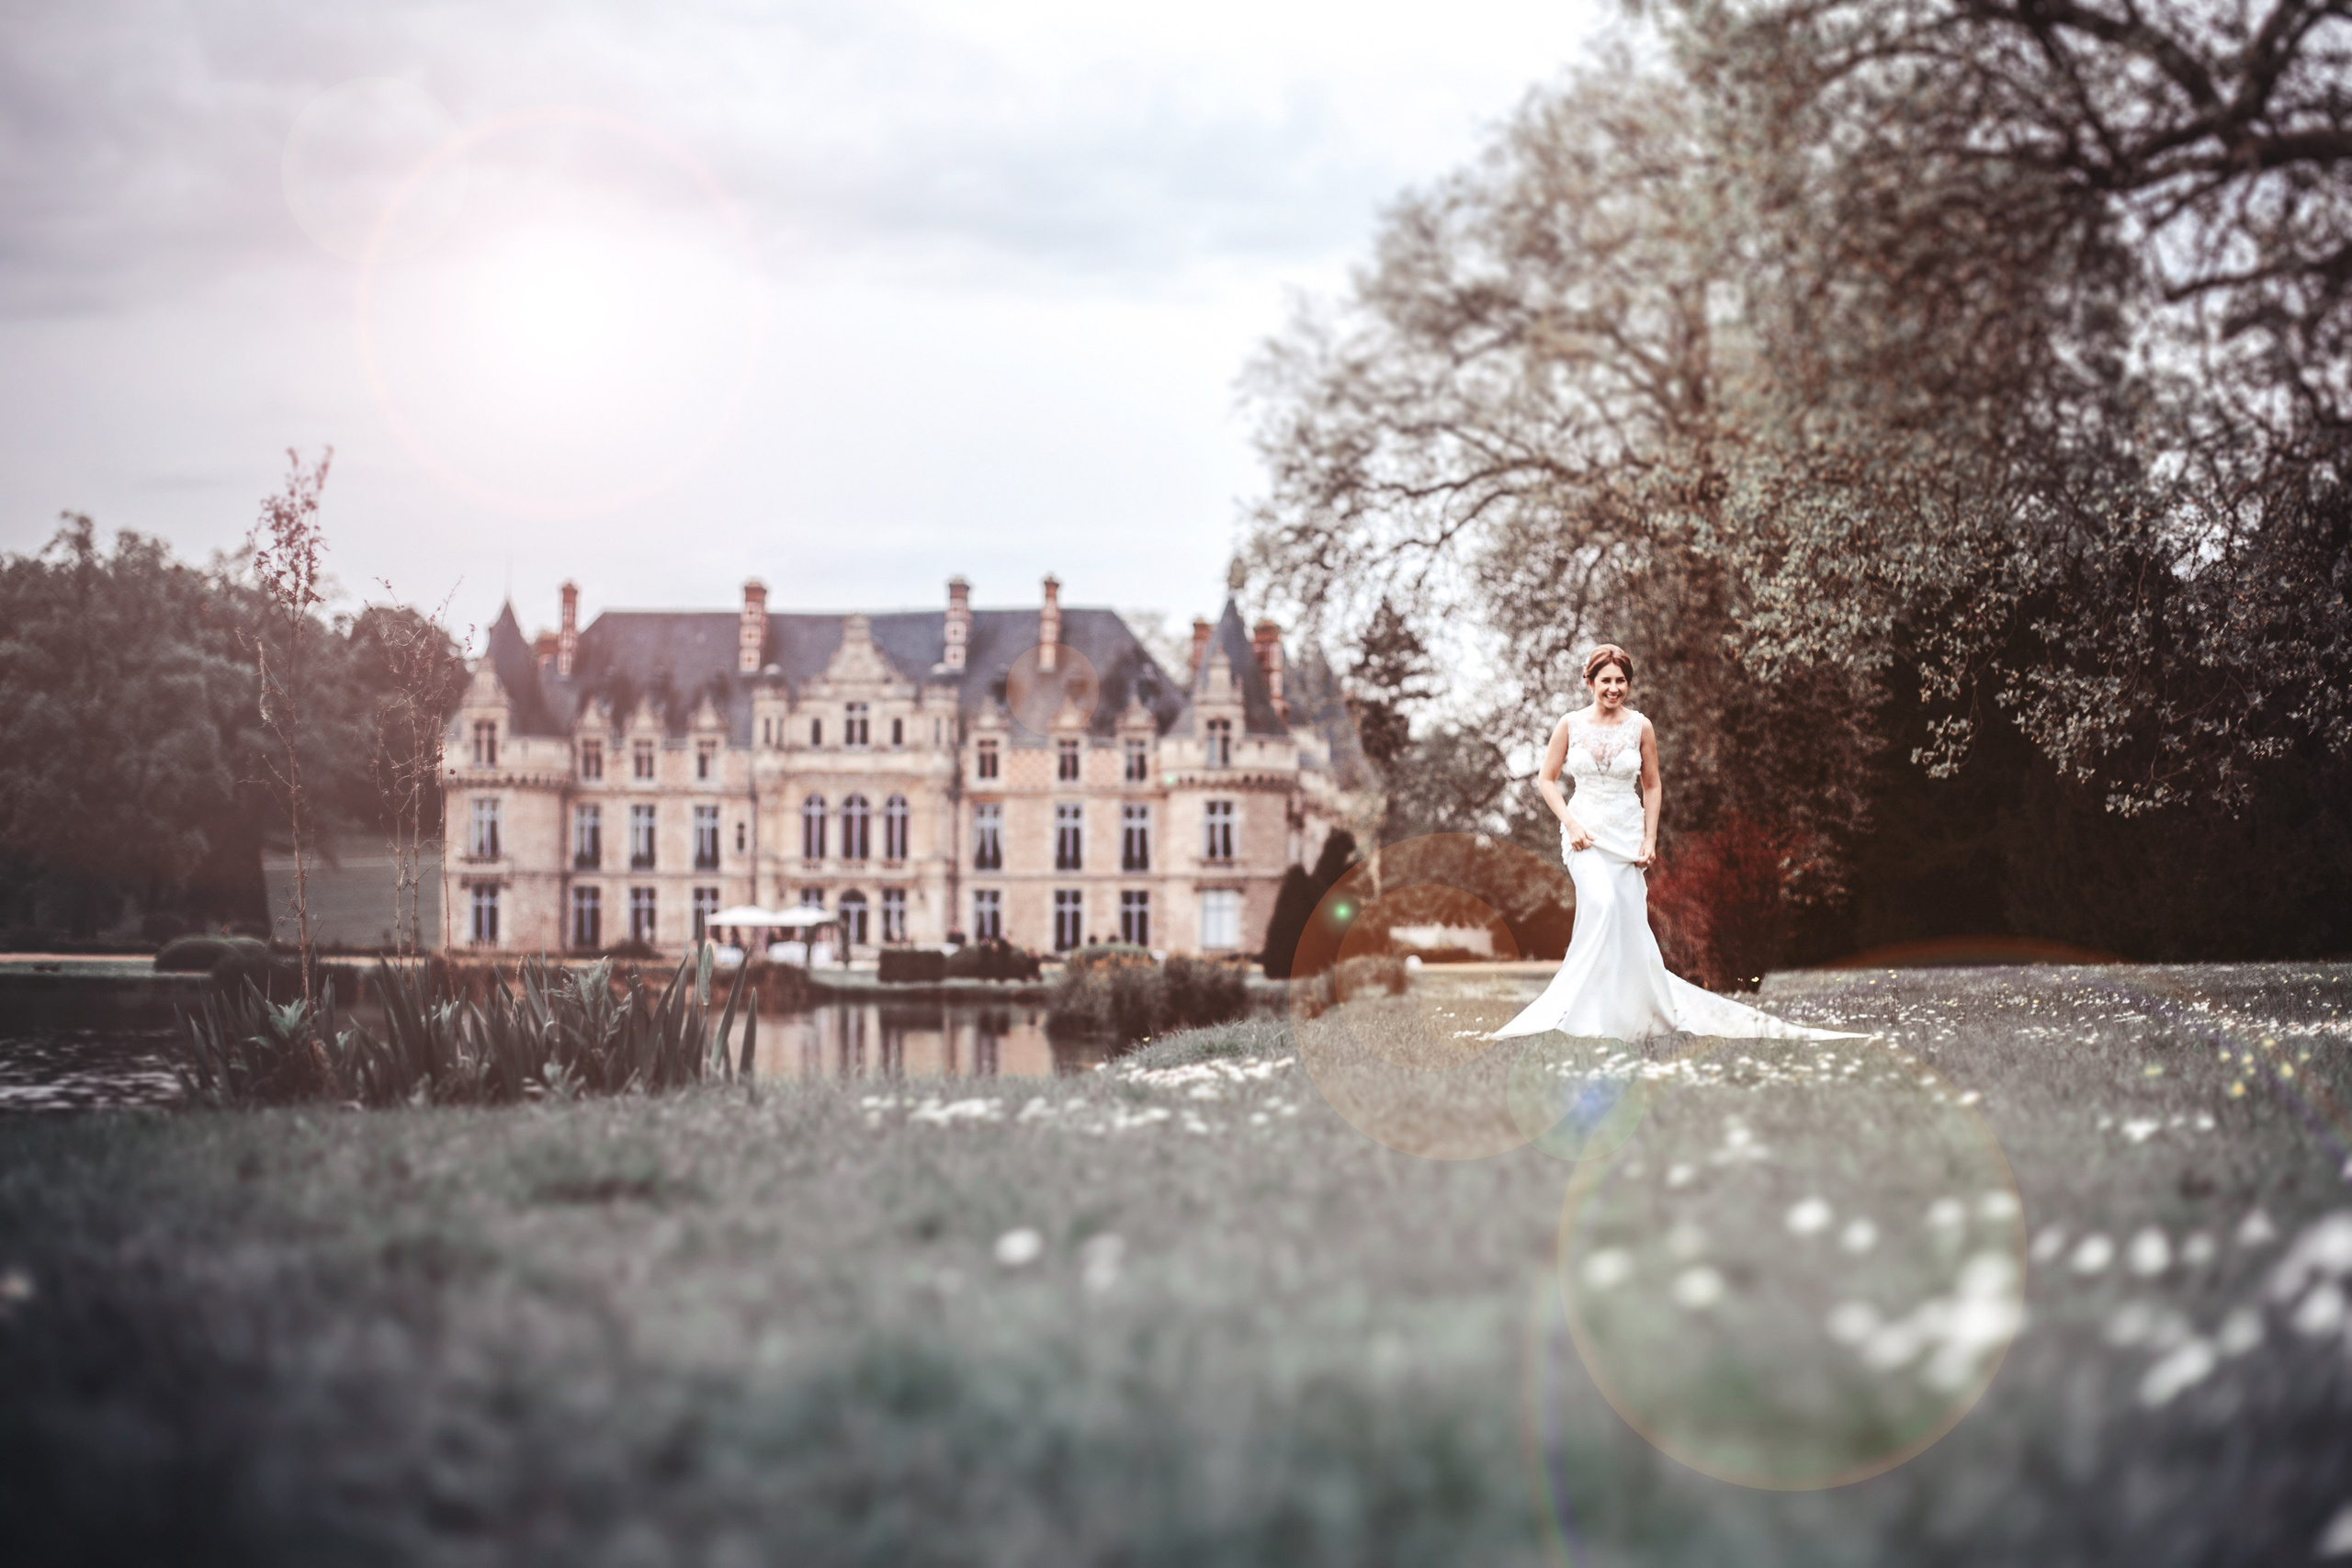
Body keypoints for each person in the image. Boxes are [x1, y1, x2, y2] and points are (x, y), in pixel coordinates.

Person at [1492, 644, 1857, 1042]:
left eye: (1621, 681)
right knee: (1603, 904)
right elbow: (1546, 780)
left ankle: (1628, 1009)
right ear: (1589, 682)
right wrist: (1571, 824)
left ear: (1628, 684)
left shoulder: (1640, 727)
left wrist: (1650, 838)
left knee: (1627, 921)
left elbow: (1651, 784)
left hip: (1627, 837)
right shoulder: (1570, 725)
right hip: (1585, 836)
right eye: (1606, 681)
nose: (1614, 689)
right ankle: (1583, 1010)